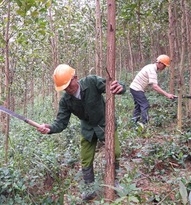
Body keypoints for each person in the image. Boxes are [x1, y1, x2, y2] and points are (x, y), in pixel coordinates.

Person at [37, 64, 126, 201]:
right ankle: (90, 189)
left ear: (75, 78)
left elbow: (112, 86)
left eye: (69, 85)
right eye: (64, 88)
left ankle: (115, 182)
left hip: (105, 124)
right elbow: (61, 122)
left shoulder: (91, 82)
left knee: (116, 152)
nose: (68, 89)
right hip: (88, 130)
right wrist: (49, 128)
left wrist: (120, 87)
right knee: (85, 159)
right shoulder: (65, 101)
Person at [129, 54, 176, 125]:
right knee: (145, 105)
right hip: (136, 88)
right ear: (159, 63)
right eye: (164, 65)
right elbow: (155, 87)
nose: (165, 67)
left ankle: (133, 123)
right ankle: (144, 124)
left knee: (138, 106)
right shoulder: (152, 70)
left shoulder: (150, 66)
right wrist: (167, 95)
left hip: (134, 87)